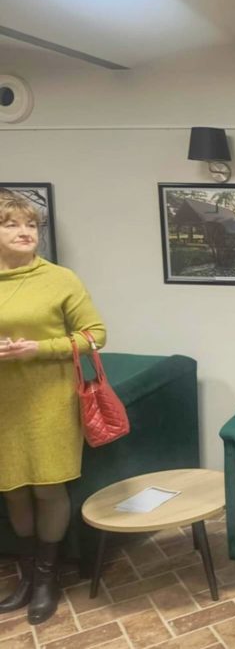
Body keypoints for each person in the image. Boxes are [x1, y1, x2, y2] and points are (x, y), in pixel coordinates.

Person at [0, 188, 107, 625]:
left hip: (49, 398)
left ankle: (47, 579)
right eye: (11, 224)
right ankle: (26, 576)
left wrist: (39, 348)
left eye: (31, 224)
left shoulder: (60, 279)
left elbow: (95, 335)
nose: (24, 232)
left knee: (47, 487)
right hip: (3, 403)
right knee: (12, 488)